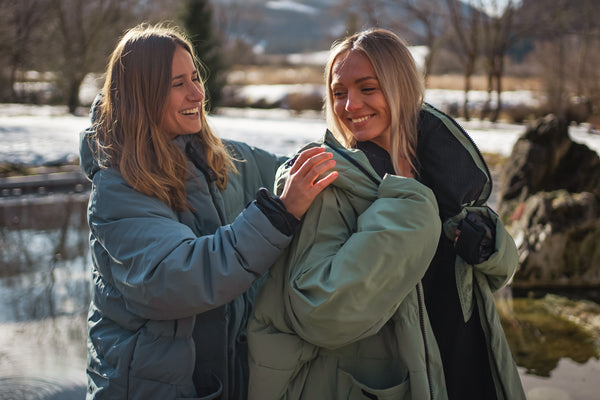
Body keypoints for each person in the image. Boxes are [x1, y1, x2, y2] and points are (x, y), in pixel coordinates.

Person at [247, 28, 525, 400]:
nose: (350, 106)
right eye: (339, 92)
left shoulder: (444, 173)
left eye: (367, 88)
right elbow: (322, 312)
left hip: (468, 364)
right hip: (399, 380)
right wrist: (405, 200)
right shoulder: (330, 183)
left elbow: (497, 276)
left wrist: (490, 247)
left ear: (401, 87)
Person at [79, 23, 337, 400]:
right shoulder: (117, 188)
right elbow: (178, 277)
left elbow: (292, 168)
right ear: (142, 94)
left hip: (217, 378)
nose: (197, 93)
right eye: (177, 84)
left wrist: (358, 158)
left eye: (195, 77)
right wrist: (279, 215)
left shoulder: (213, 156)